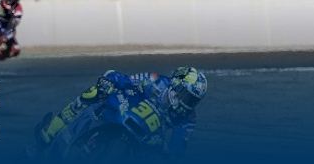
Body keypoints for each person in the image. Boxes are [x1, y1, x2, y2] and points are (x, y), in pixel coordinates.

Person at [36, 67, 208, 157]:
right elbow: (125, 79)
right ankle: (52, 129)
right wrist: (109, 81)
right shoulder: (156, 79)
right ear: (176, 85)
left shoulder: (189, 118)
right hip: (126, 109)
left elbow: (178, 148)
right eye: (187, 96)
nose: (188, 103)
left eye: (194, 100)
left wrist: (165, 151)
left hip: (148, 138)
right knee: (94, 92)